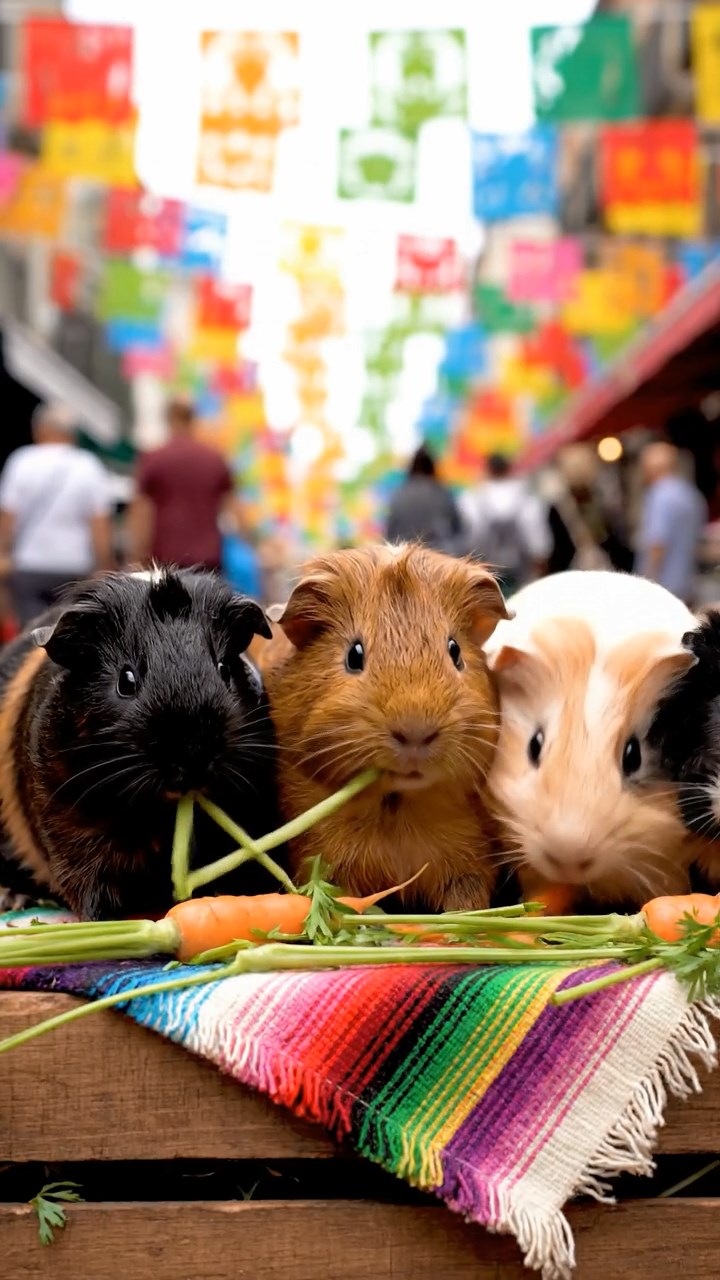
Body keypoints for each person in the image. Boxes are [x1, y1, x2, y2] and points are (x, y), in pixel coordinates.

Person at [0, 403, 113, 626]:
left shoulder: (21, 461)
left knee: (31, 633)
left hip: (29, 566)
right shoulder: (88, 465)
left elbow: (8, 518)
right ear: (70, 433)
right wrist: (104, 564)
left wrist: (3, 553)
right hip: (74, 567)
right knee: (67, 633)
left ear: (40, 430)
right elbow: (99, 524)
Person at [128, 395, 245, 572]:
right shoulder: (214, 459)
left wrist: (137, 556)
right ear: (193, 419)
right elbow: (234, 510)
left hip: (165, 561)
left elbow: (141, 512)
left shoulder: (153, 459)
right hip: (208, 560)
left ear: (168, 419)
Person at [459, 453, 551, 595]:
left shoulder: (471, 499)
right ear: (509, 469)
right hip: (524, 577)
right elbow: (539, 544)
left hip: (486, 578)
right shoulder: (527, 498)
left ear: (487, 470)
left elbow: (469, 541)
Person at [544, 443, 634, 575]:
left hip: (576, 573)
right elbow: (613, 540)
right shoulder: (600, 500)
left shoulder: (559, 507)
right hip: (603, 570)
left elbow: (560, 551)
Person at [637, 441, 707, 604]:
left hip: (663, 587)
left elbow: (657, 542)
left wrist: (646, 581)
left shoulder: (659, 495)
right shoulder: (691, 494)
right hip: (688, 582)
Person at [386, 445, 463, 554]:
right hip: (438, 556)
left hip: (405, 557)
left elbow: (391, 533)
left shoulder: (399, 494)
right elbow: (458, 529)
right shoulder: (441, 492)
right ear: (432, 467)